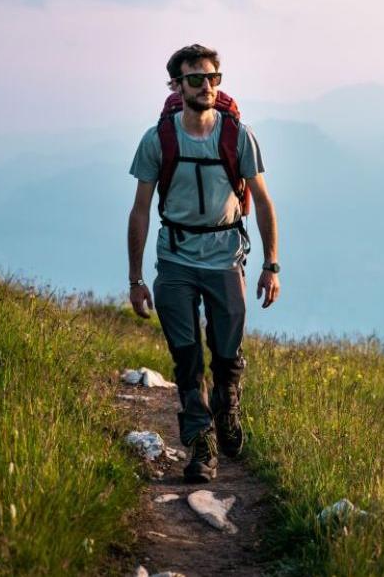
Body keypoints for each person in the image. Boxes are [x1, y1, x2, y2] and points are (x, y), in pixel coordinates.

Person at [127, 43, 281, 483]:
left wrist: (271, 266)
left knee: (227, 353)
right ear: (176, 85)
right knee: (186, 356)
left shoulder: (238, 135)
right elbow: (140, 209)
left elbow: (264, 201)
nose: (207, 86)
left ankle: (226, 407)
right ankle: (200, 443)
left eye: (214, 78)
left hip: (225, 257)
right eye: (197, 78)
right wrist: (136, 279)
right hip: (174, 257)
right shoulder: (159, 139)